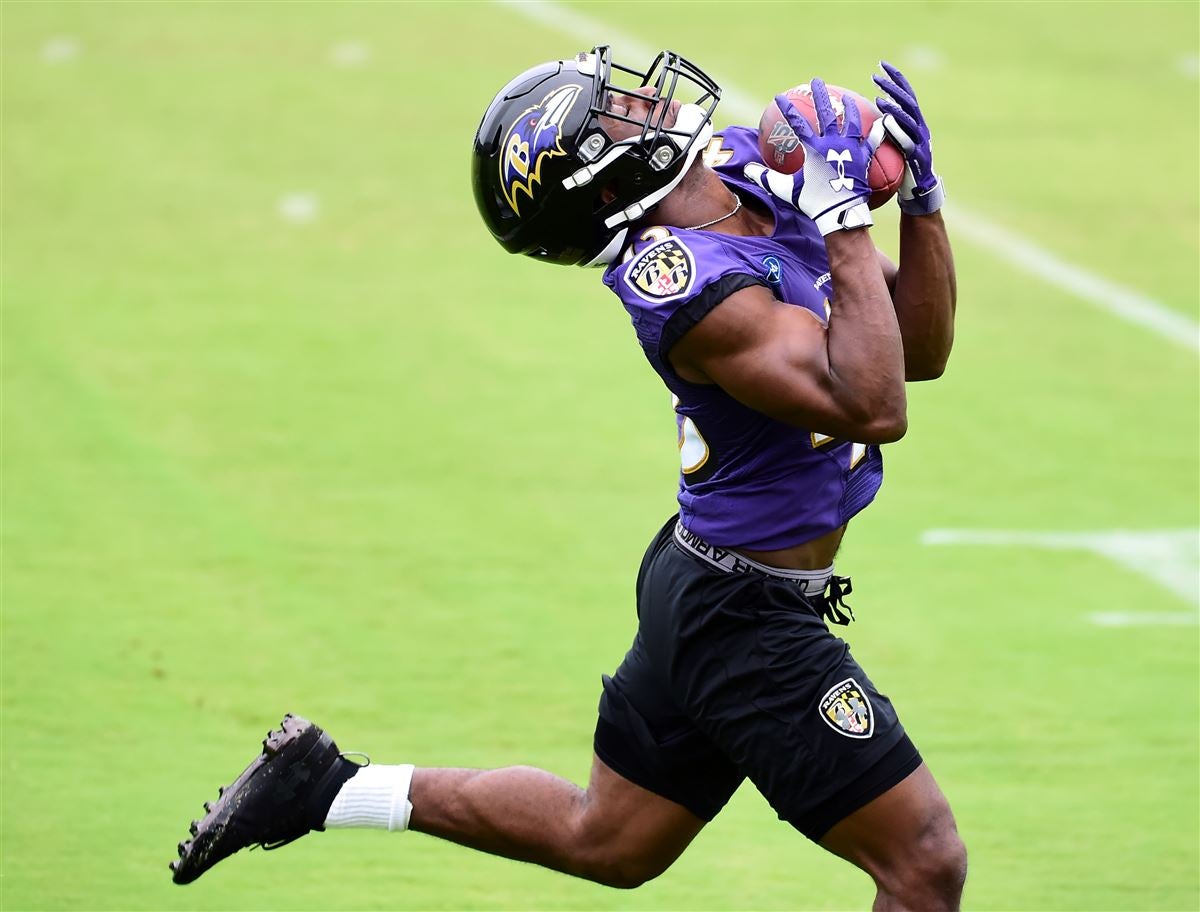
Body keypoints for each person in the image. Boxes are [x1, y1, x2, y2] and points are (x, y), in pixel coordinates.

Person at [171, 46, 965, 910]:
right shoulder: (678, 282)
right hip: (746, 619)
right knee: (923, 864)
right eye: (613, 112)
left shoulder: (747, 167)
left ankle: (324, 786)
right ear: (602, 176)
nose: (640, 101)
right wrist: (847, 219)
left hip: (702, 580)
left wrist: (921, 203)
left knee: (611, 839)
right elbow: (873, 402)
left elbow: (917, 351)